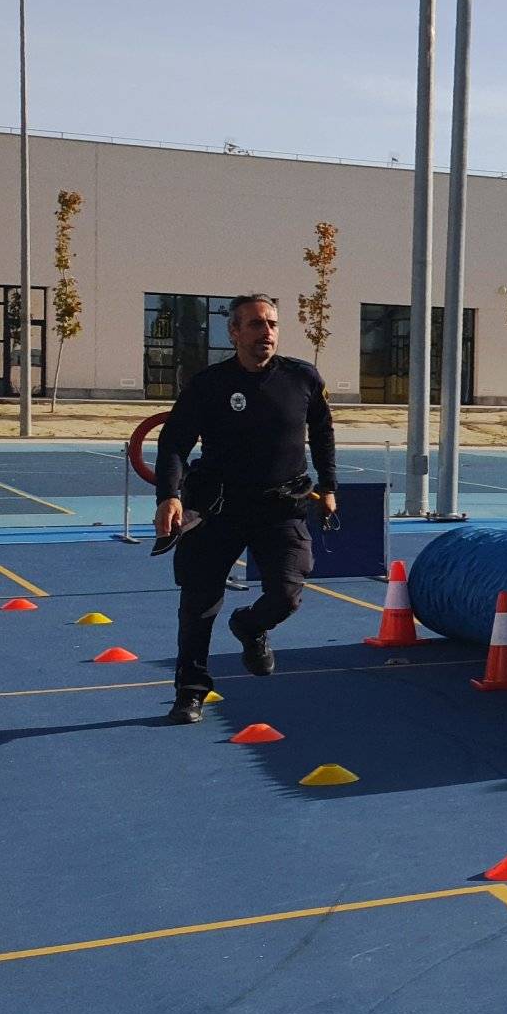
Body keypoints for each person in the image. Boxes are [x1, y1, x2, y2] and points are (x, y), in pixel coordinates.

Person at [153, 293, 337, 724]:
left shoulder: (302, 377)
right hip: (219, 507)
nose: (266, 333)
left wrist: (329, 484)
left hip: (282, 506)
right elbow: (174, 443)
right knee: (198, 603)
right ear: (234, 332)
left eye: (271, 324)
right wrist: (170, 495)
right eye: (255, 325)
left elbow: (323, 431)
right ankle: (190, 690)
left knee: (287, 595)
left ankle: (252, 626)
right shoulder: (208, 384)